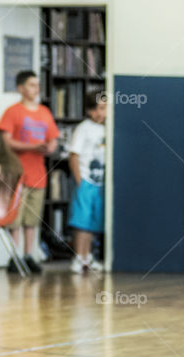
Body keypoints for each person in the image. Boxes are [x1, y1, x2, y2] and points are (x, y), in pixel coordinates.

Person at [0, 70, 59, 275]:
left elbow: (53, 139)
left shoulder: (44, 112)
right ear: (21, 88)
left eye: (37, 84)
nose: (36, 88)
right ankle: (14, 257)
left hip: (38, 173)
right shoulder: (13, 112)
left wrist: (49, 147)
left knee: (32, 220)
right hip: (17, 173)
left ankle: (28, 255)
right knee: (16, 218)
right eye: (31, 85)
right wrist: (30, 146)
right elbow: (5, 141)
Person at [67, 92, 107, 273]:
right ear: (90, 110)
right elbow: (73, 155)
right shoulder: (84, 128)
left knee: (93, 222)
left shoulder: (108, 128)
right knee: (81, 221)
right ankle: (79, 256)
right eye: (99, 108)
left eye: (105, 108)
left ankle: (88, 257)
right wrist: (79, 180)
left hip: (101, 183)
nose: (103, 112)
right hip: (85, 181)